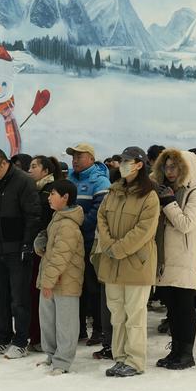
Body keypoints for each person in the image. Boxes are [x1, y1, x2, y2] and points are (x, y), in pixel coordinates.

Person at [95, 147, 160, 377]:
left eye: (126, 161)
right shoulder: (114, 191)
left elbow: (144, 230)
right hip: (112, 262)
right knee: (117, 314)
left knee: (135, 315)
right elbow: (102, 217)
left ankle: (135, 360)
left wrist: (118, 248)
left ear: (139, 164)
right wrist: (108, 244)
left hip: (136, 264)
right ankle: (120, 357)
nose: (122, 164)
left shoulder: (149, 195)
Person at [0, 147, 41, 359]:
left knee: (19, 298)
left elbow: (33, 216)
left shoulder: (24, 181)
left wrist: (27, 245)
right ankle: (2, 338)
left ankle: (21, 340)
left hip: (18, 249)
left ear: (4, 163)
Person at [152, 149, 196, 370]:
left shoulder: (195, 193)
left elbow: (186, 224)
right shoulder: (163, 191)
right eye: (166, 166)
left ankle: (186, 353)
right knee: (172, 308)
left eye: (174, 166)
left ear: (186, 168)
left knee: (184, 307)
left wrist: (169, 202)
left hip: (184, 257)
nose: (169, 171)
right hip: (164, 258)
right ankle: (175, 350)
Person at [34, 179, 85, 375]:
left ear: (65, 197)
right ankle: (52, 355)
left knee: (65, 324)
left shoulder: (68, 225)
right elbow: (51, 250)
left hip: (65, 282)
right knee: (48, 321)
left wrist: (48, 282)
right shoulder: (56, 219)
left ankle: (62, 361)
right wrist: (40, 244)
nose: (49, 197)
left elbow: (61, 257)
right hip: (51, 280)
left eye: (53, 194)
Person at [66, 143, 112, 347]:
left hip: (90, 242)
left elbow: (99, 211)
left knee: (93, 287)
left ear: (92, 159)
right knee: (77, 286)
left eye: (79, 156)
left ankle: (99, 330)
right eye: (73, 156)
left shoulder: (100, 181)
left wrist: (77, 224)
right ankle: (79, 328)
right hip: (71, 243)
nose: (75, 160)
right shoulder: (69, 179)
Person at [27, 155, 62, 351]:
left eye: (34, 166)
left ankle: (42, 338)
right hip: (35, 247)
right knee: (34, 294)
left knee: (43, 294)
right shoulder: (34, 190)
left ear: (46, 171)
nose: (29, 170)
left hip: (45, 249)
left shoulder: (51, 190)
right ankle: (35, 335)